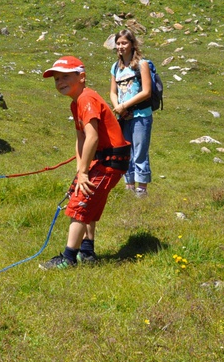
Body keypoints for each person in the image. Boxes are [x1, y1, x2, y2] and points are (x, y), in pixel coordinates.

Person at [39, 56, 130, 269]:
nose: (60, 82)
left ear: (81, 77)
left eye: (65, 77)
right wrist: (82, 168)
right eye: (56, 79)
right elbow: (80, 138)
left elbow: (93, 137)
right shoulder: (76, 102)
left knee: (80, 203)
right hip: (102, 159)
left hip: (111, 160)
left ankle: (69, 258)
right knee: (88, 202)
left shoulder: (87, 99)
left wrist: (84, 174)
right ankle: (87, 252)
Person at [108, 29, 153, 197]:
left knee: (140, 151)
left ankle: (142, 190)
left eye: (124, 43)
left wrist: (124, 105)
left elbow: (146, 92)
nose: (121, 46)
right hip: (123, 116)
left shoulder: (142, 64)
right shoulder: (115, 67)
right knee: (126, 151)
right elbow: (113, 92)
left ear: (132, 44)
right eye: (118, 43)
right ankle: (129, 186)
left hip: (141, 115)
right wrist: (118, 107)